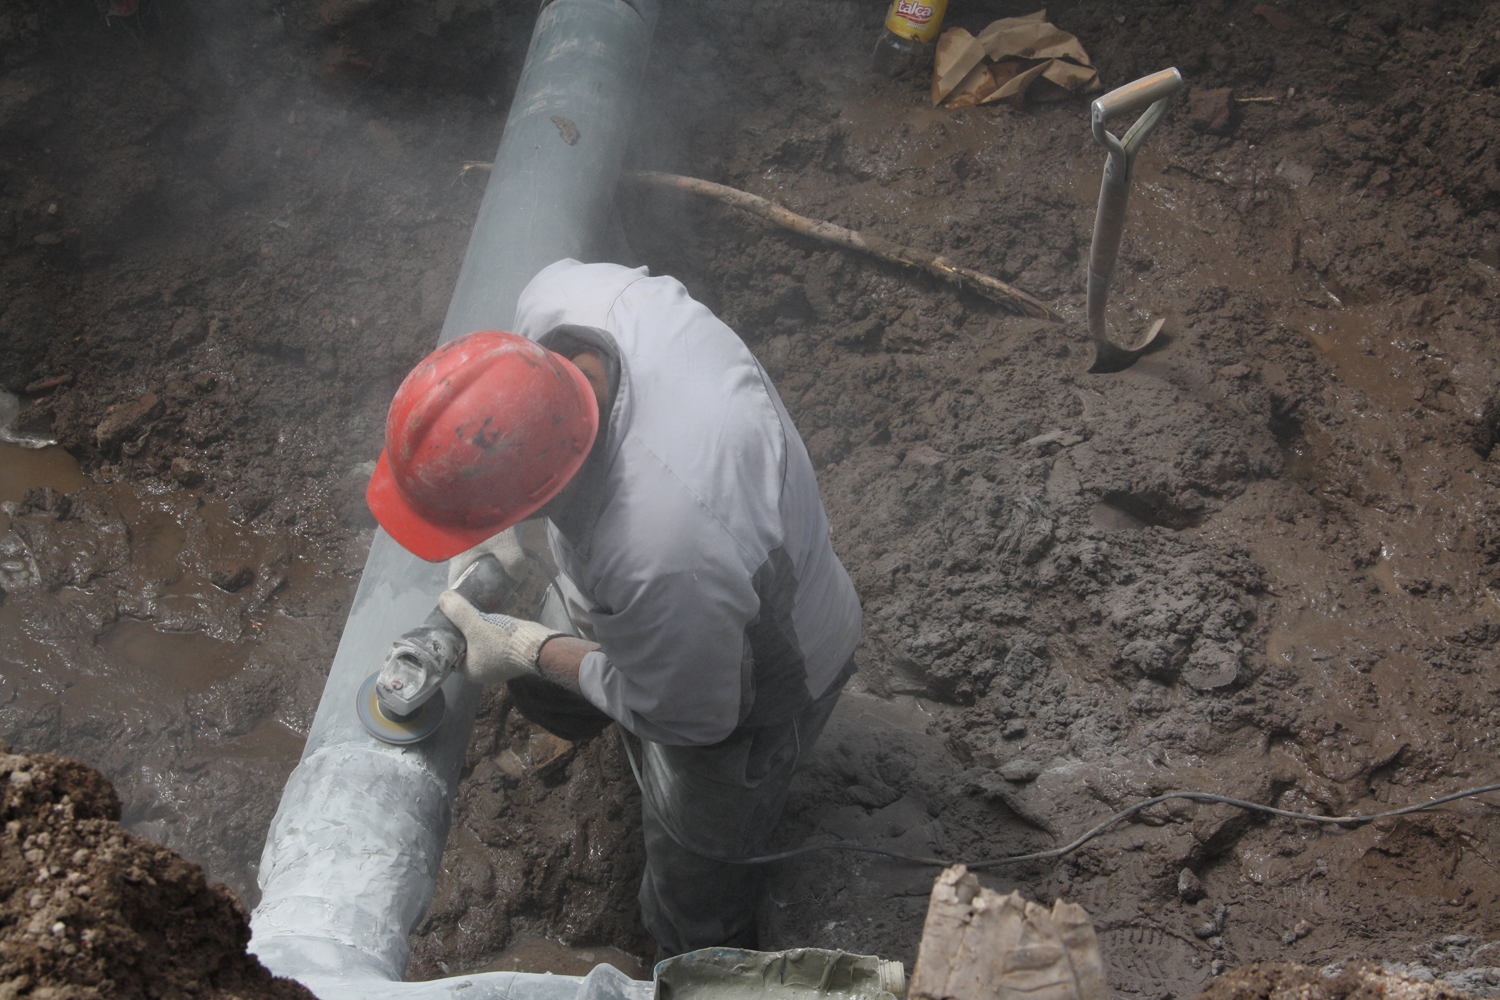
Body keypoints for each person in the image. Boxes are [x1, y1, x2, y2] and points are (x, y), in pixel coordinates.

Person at [366, 259, 862, 958]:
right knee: (592, 666)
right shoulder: (566, 302)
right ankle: (607, 724)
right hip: (684, 599)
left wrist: (530, 648)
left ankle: (694, 950)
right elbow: (504, 427)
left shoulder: (666, 544)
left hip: (766, 671)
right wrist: (495, 521)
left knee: (695, 874)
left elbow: (693, 718)